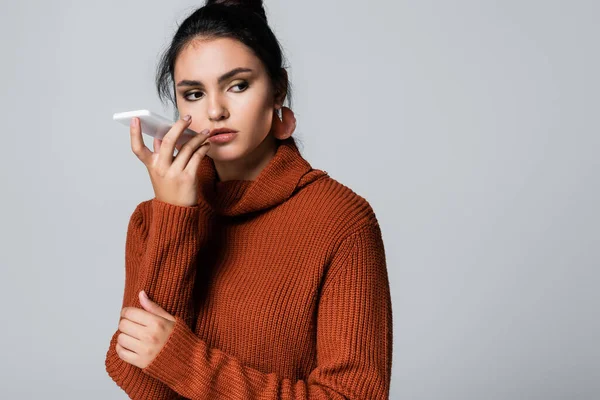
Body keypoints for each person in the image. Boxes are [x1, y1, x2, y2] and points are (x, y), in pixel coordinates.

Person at [104, 0, 393, 398]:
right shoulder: (151, 220)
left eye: (237, 85)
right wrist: (175, 216)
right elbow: (144, 385)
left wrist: (185, 361)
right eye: (193, 93)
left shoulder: (341, 221)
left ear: (278, 90)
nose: (215, 110)